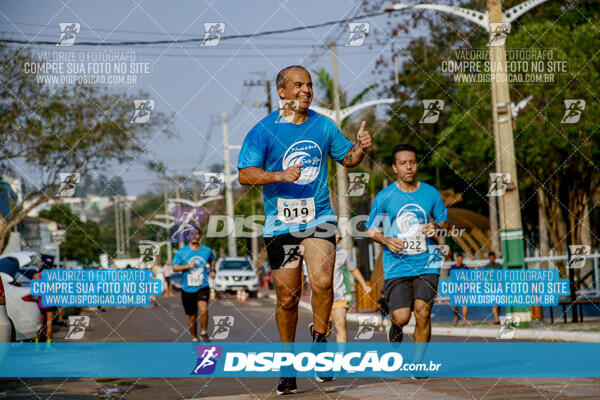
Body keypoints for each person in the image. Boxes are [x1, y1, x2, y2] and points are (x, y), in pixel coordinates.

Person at [237, 65, 371, 395]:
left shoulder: (323, 126)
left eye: (309, 85)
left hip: (319, 218)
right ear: (281, 92)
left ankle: (320, 337)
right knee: (287, 298)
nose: (306, 90)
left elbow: (348, 158)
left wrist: (361, 147)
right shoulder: (263, 131)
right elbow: (245, 174)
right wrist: (279, 176)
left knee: (324, 282)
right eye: (298, 85)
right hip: (281, 224)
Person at [366, 143, 448, 356]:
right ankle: (396, 325)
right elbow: (370, 229)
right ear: (394, 168)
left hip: (427, 262)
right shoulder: (385, 196)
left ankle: (419, 361)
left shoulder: (430, 193)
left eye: (412, 162)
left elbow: (444, 221)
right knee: (403, 316)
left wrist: (436, 227)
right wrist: (386, 240)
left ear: (417, 165)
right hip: (397, 264)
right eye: (403, 163)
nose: (408, 167)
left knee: (423, 311)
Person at [308, 231, 372, 342]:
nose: (334, 236)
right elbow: (308, 276)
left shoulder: (343, 253)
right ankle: (314, 329)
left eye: (336, 234)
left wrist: (364, 285)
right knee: (325, 332)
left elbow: (353, 269)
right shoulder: (316, 254)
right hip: (321, 299)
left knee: (341, 325)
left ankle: (341, 358)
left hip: (338, 297)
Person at [170, 226, 216, 342]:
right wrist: (187, 266)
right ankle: (194, 338)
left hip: (202, 285)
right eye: (191, 234)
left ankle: (204, 332)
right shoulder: (182, 252)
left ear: (199, 235)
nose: (195, 236)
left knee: (203, 309)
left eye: (197, 234)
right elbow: (174, 268)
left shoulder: (206, 250)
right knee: (192, 317)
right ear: (187, 237)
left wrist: (212, 270)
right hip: (188, 288)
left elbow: (212, 259)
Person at [34, 262, 56, 344]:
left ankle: (36, 343)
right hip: (50, 302)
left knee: (40, 324)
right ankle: (48, 345)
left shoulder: (36, 276)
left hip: (40, 303)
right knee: (49, 324)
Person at [449, 253, 469, 326]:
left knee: (465, 305)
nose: (460, 260)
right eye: (459, 259)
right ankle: (457, 317)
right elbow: (450, 278)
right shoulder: (453, 268)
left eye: (461, 259)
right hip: (455, 289)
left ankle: (464, 320)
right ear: (456, 259)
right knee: (454, 307)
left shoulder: (465, 267)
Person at [484, 251, 502, 324]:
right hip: (491, 287)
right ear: (489, 258)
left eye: (493, 258)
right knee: (494, 302)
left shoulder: (499, 266)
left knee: (498, 304)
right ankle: (496, 318)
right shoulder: (486, 267)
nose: (492, 260)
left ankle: (497, 316)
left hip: (499, 287)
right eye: (490, 258)